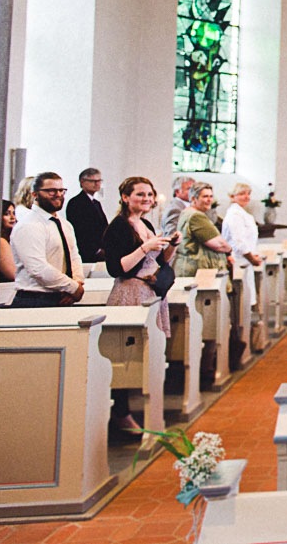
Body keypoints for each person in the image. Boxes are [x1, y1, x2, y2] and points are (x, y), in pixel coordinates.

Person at [102, 176, 177, 430]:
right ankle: (120, 413)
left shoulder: (144, 222)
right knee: (126, 356)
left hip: (150, 293)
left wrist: (171, 246)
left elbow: (160, 261)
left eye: (149, 195)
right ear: (125, 198)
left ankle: (147, 409)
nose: (146, 199)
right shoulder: (119, 227)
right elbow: (117, 268)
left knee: (151, 353)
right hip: (130, 293)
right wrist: (145, 247)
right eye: (140, 195)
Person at [8, 172, 85, 307]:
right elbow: (38, 268)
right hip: (34, 299)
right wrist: (72, 287)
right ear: (35, 194)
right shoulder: (28, 225)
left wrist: (77, 283)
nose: (58, 194)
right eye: (51, 191)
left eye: (61, 190)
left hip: (63, 295)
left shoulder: (64, 224)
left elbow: (74, 257)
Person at [171, 182, 233, 277]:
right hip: (197, 270)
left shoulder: (186, 212)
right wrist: (230, 249)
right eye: (205, 196)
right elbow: (219, 245)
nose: (209, 200)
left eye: (211, 196)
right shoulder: (196, 216)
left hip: (189, 266)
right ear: (193, 199)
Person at [220, 183, 262, 307]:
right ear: (232, 196)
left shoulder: (241, 213)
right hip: (239, 260)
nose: (246, 197)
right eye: (242, 194)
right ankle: (241, 324)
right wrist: (252, 258)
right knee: (242, 299)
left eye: (248, 194)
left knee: (247, 297)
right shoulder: (234, 215)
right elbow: (238, 242)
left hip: (244, 260)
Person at [66, 167, 107, 262]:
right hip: (87, 253)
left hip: (101, 251)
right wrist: (96, 250)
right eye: (93, 181)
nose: (97, 184)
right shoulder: (75, 203)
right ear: (82, 182)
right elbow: (79, 230)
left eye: (99, 180)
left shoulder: (96, 203)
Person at [0, 200, 16, 282]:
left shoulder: (10, 237)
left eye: (14, 213)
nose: (12, 217)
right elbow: (13, 274)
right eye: (7, 214)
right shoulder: (1, 241)